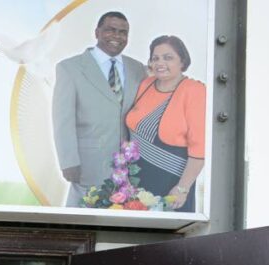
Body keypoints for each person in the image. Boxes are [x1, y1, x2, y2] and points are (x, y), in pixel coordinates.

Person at [52, 11, 147, 207]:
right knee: (77, 223)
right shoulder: (70, 68)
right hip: (87, 165)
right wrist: (68, 161)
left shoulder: (138, 69)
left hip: (128, 169)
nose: (117, 36)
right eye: (110, 30)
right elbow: (63, 120)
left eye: (123, 32)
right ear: (96, 32)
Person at [126, 36, 206, 212]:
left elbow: (199, 150)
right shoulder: (146, 84)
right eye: (155, 58)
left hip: (171, 184)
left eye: (168, 57)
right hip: (135, 181)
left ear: (182, 61)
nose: (160, 62)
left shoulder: (194, 91)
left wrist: (182, 189)